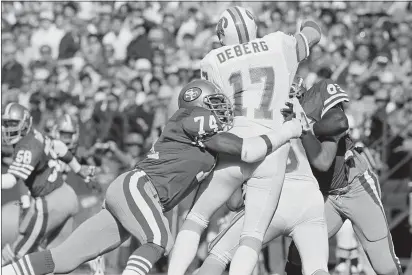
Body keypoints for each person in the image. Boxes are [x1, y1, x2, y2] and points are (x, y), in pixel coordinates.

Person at [2, 79, 305, 275]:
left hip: (135, 194)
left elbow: (231, 194)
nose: (221, 111)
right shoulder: (191, 118)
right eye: (215, 104)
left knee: (64, 259)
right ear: (199, 105)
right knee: (160, 239)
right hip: (139, 187)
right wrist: (287, 132)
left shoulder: (207, 143)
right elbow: (248, 150)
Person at [168, 6, 322, 275]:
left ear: (222, 35)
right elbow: (313, 32)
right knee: (251, 236)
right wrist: (305, 19)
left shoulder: (213, 59)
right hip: (274, 147)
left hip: (235, 145)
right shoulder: (278, 43)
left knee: (196, 219)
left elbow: (214, 111)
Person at [285, 77, 403, 275]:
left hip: (355, 186)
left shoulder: (318, 96)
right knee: (297, 255)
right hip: (325, 194)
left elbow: (339, 121)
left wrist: (305, 128)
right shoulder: (274, 120)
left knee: (386, 267)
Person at [1, 103, 95, 265]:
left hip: (50, 202)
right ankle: (93, 259)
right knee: (48, 255)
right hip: (66, 196)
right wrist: (79, 169)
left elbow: (10, 181)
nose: (8, 128)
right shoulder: (37, 135)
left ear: (25, 123)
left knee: (18, 250)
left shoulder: (27, 146)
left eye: (13, 123)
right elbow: (60, 148)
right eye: (6, 123)